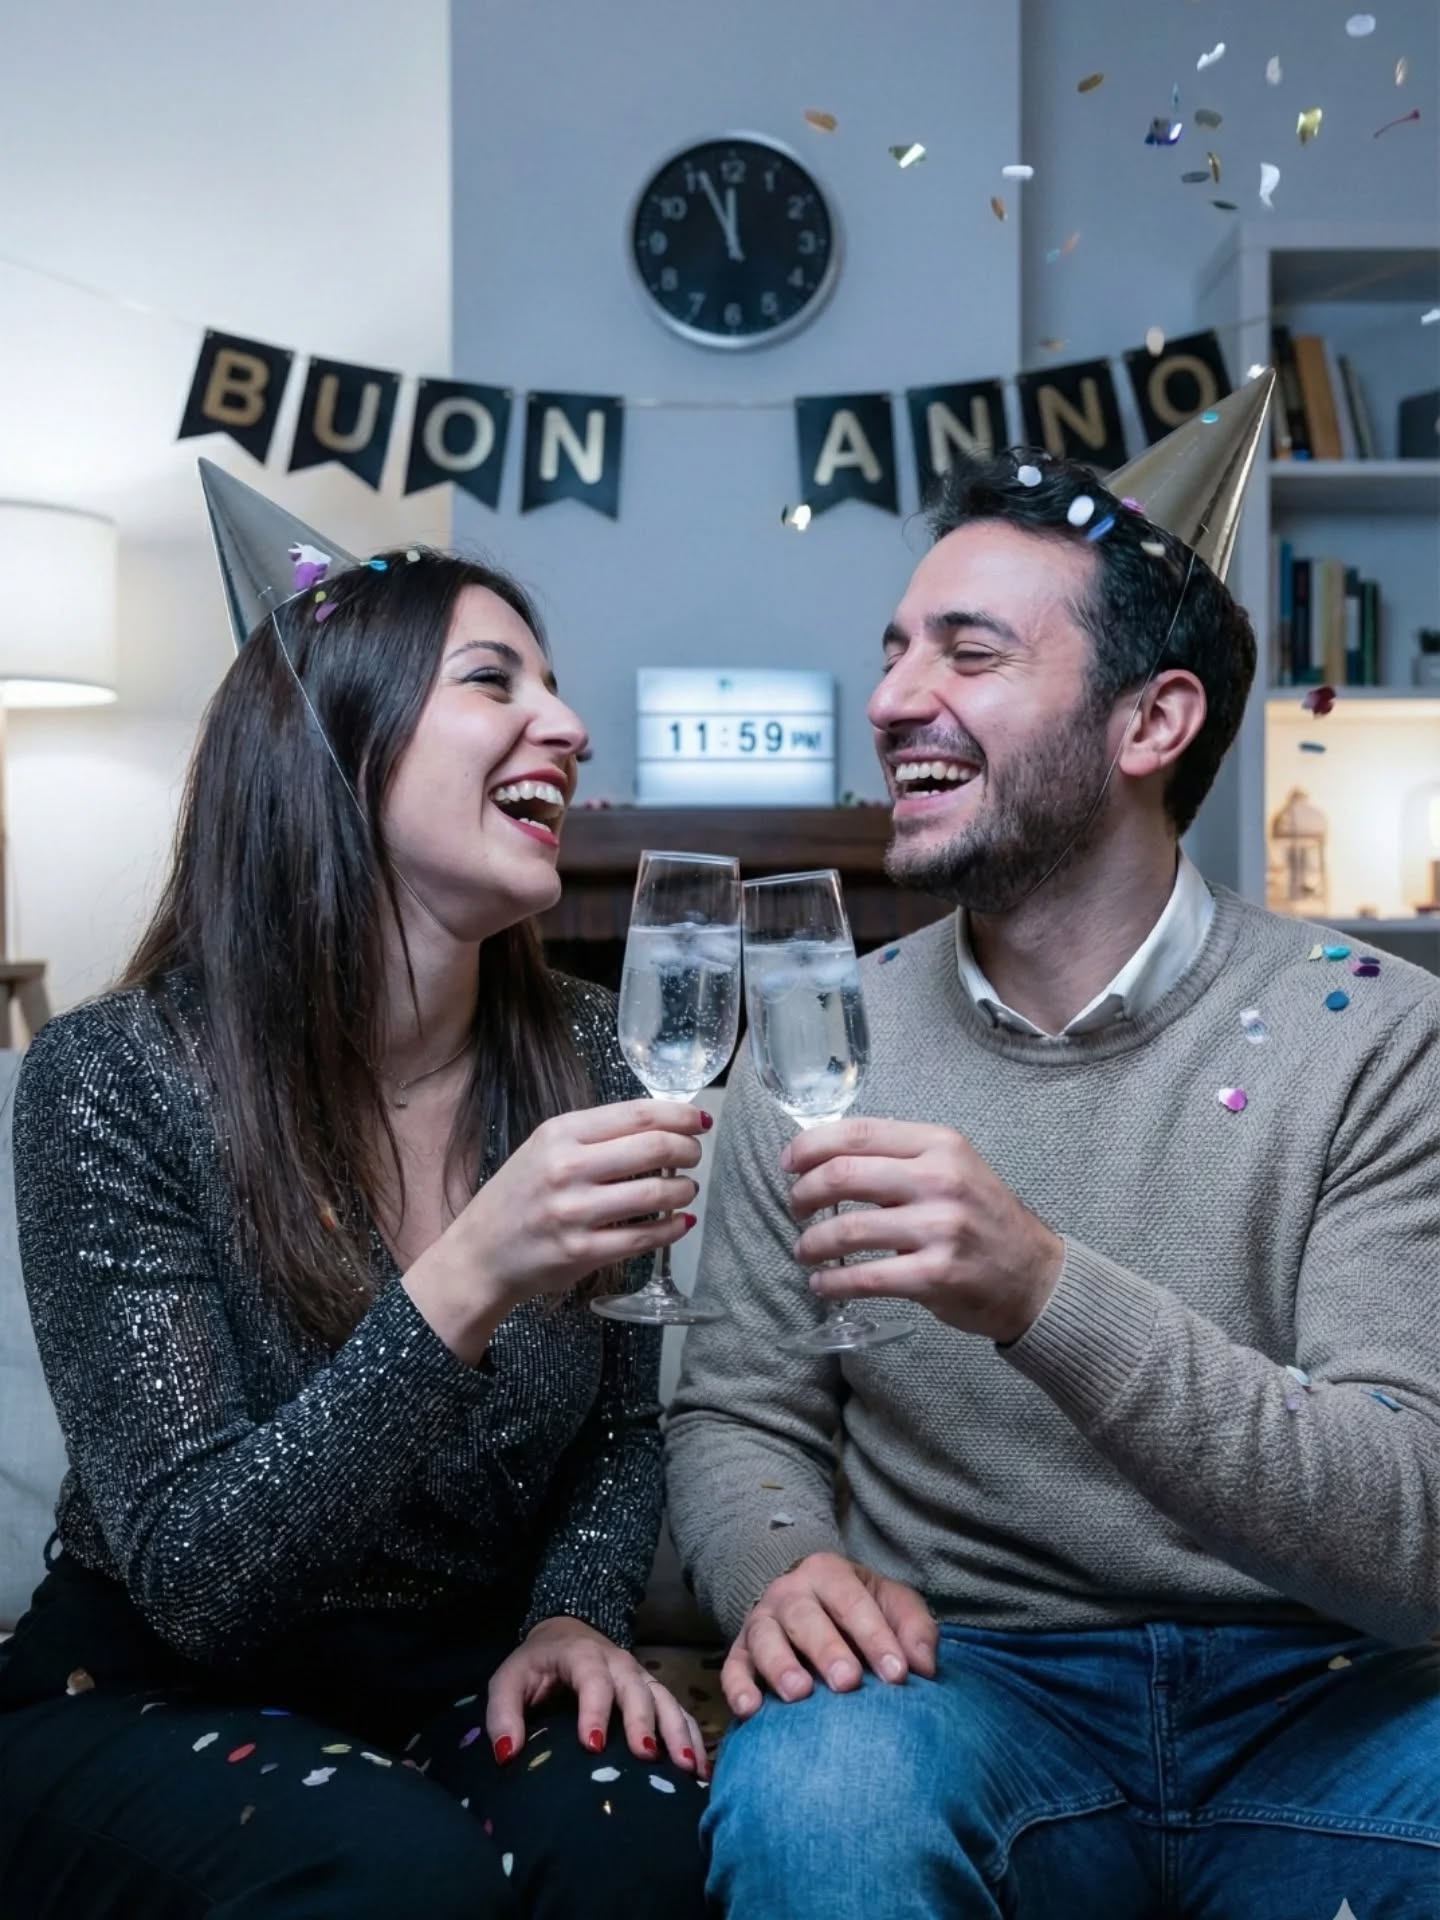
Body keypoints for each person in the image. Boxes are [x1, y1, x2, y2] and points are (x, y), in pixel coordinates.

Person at [667, 391, 1440, 1918]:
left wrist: (1039, 1290)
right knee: (816, 1797)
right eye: (894, 650)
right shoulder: (820, 1048)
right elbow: (738, 1411)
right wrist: (781, 1573)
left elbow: (1412, 1531)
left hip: (1331, 1699)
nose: (892, 699)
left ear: (1153, 723)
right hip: (965, 1685)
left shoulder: (1378, 1032)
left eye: (968, 653)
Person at [0, 471, 710, 1919]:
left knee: (634, 1829)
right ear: (338, 741)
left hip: (465, 1670)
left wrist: (573, 1614)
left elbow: (626, 1433)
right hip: (147, 1685)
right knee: (394, 1870)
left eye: (559, 689)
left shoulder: (591, 1049)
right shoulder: (113, 1079)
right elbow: (202, 1579)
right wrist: (470, 1273)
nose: (567, 729)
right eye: (493, 680)